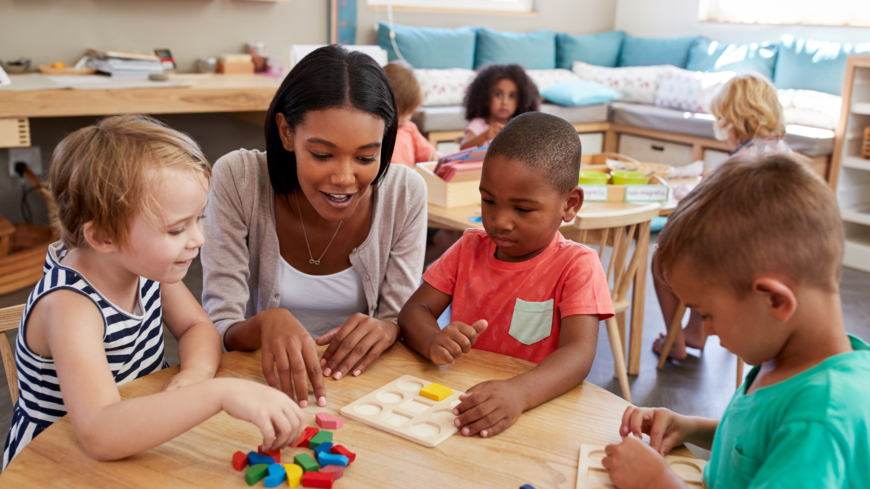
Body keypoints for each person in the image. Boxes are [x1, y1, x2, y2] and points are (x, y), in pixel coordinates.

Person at [3, 115, 304, 469]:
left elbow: (197, 328)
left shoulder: (143, 265)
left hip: (137, 434)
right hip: (58, 463)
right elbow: (100, 432)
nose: (199, 240)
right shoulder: (71, 307)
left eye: (199, 218)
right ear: (103, 237)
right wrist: (218, 393)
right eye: (177, 230)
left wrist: (194, 375)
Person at [602, 154, 870, 489]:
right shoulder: (791, 359)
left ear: (775, 300)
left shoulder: (819, 419)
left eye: (707, 314)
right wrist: (690, 427)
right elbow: (760, 442)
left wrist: (659, 484)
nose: (707, 330)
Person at [202, 46, 427, 408]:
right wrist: (264, 323)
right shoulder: (238, 178)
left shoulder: (404, 192)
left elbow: (397, 317)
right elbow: (217, 325)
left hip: (364, 392)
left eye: (366, 157)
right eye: (322, 154)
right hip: (258, 389)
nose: (344, 178)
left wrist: (390, 327)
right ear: (286, 133)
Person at [398, 112, 614, 438]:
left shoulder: (577, 265)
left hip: (535, 410)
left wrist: (519, 393)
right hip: (463, 401)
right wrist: (432, 340)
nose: (500, 221)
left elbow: (579, 354)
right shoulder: (468, 248)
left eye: (523, 209)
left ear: (570, 204)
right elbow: (415, 311)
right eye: (489, 201)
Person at [653, 72, 793, 360]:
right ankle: (695, 333)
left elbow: (699, 207)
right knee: (702, 249)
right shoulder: (785, 155)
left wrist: (685, 193)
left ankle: (675, 341)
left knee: (663, 258)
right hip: (775, 263)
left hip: (735, 267)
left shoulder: (739, 166)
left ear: (735, 122)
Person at [459, 64, 539, 150]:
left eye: (512, 96)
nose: (505, 102)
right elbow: (463, 148)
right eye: (498, 95)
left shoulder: (518, 124)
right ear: (484, 96)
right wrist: (484, 136)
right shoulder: (478, 124)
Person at [383, 62, 440, 167]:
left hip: (407, 181)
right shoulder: (377, 131)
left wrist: (434, 156)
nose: (405, 119)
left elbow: (428, 153)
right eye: (401, 113)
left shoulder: (409, 128)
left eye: (409, 113)